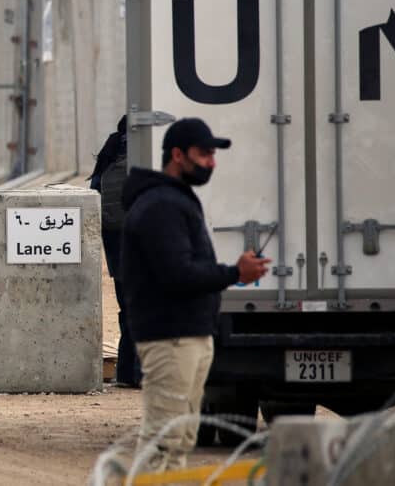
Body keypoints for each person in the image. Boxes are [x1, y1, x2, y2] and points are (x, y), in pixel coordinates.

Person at [119, 117, 270, 470]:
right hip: (170, 339)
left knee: (180, 439)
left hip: (188, 336)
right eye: (204, 154)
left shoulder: (174, 200)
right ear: (177, 155)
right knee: (163, 442)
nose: (211, 163)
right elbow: (178, 274)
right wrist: (235, 273)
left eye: (213, 155)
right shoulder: (160, 205)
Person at [89, 115, 141, 388]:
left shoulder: (110, 151)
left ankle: (126, 372)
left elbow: (94, 194)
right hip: (143, 244)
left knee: (126, 306)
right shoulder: (146, 154)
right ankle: (140, 374)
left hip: (116, 244)